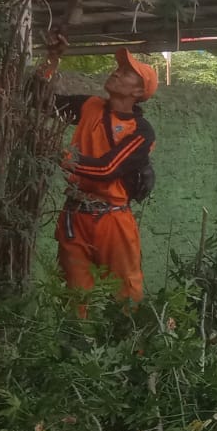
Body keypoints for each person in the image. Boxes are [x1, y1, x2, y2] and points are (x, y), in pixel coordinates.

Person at [50, 36, 158, 303]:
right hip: (74, 215)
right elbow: (37, 99)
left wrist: (55, 155)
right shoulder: (90, 106)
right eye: (119, 68)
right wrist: (52, 58)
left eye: (127, 72)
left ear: (138, 91)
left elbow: (106, 169)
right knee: (76, 297)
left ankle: (133, 346)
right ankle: (78, 344)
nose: (117, 72)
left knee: (126, 297)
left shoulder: (141, 132)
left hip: (112, 221)